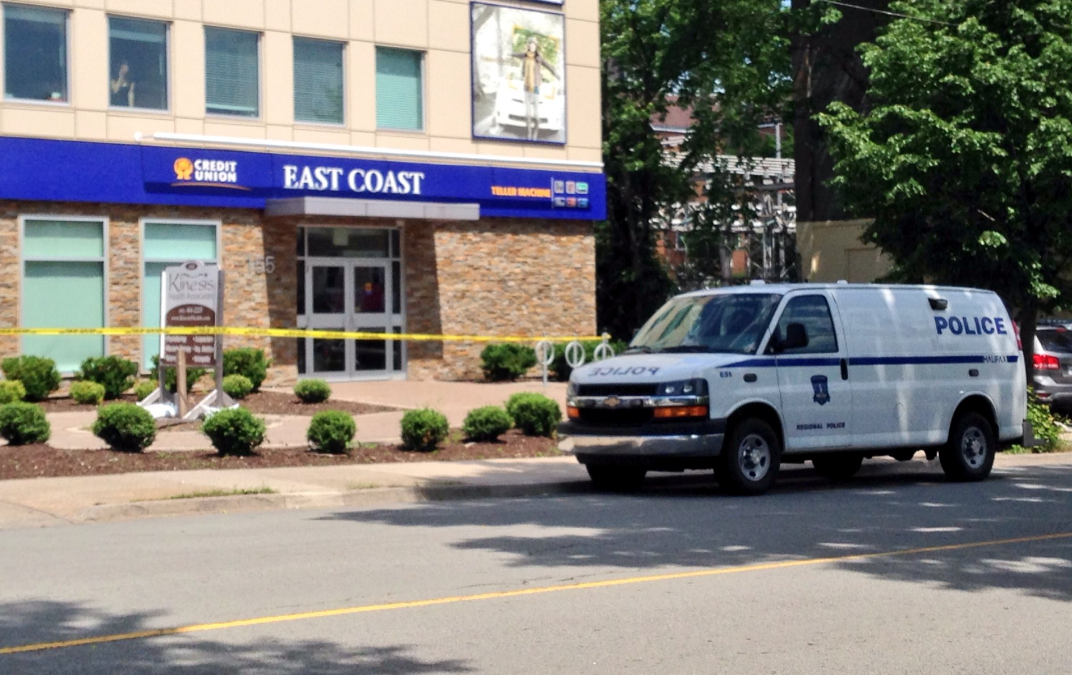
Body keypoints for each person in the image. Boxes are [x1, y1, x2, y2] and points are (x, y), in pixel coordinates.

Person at [511, 37, 557, 140]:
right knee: (528, 114)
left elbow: (548, 66)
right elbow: (514, 54)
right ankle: (529, 133)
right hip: (526, 87)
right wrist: (508, 53)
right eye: (530, 44)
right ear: (528, 46)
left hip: (535, 87)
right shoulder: (524, 55)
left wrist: (557, 75)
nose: (532, 46)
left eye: (534, 45)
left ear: (536, 46)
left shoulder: (539, 57)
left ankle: (536, 131)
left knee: (536, 115)